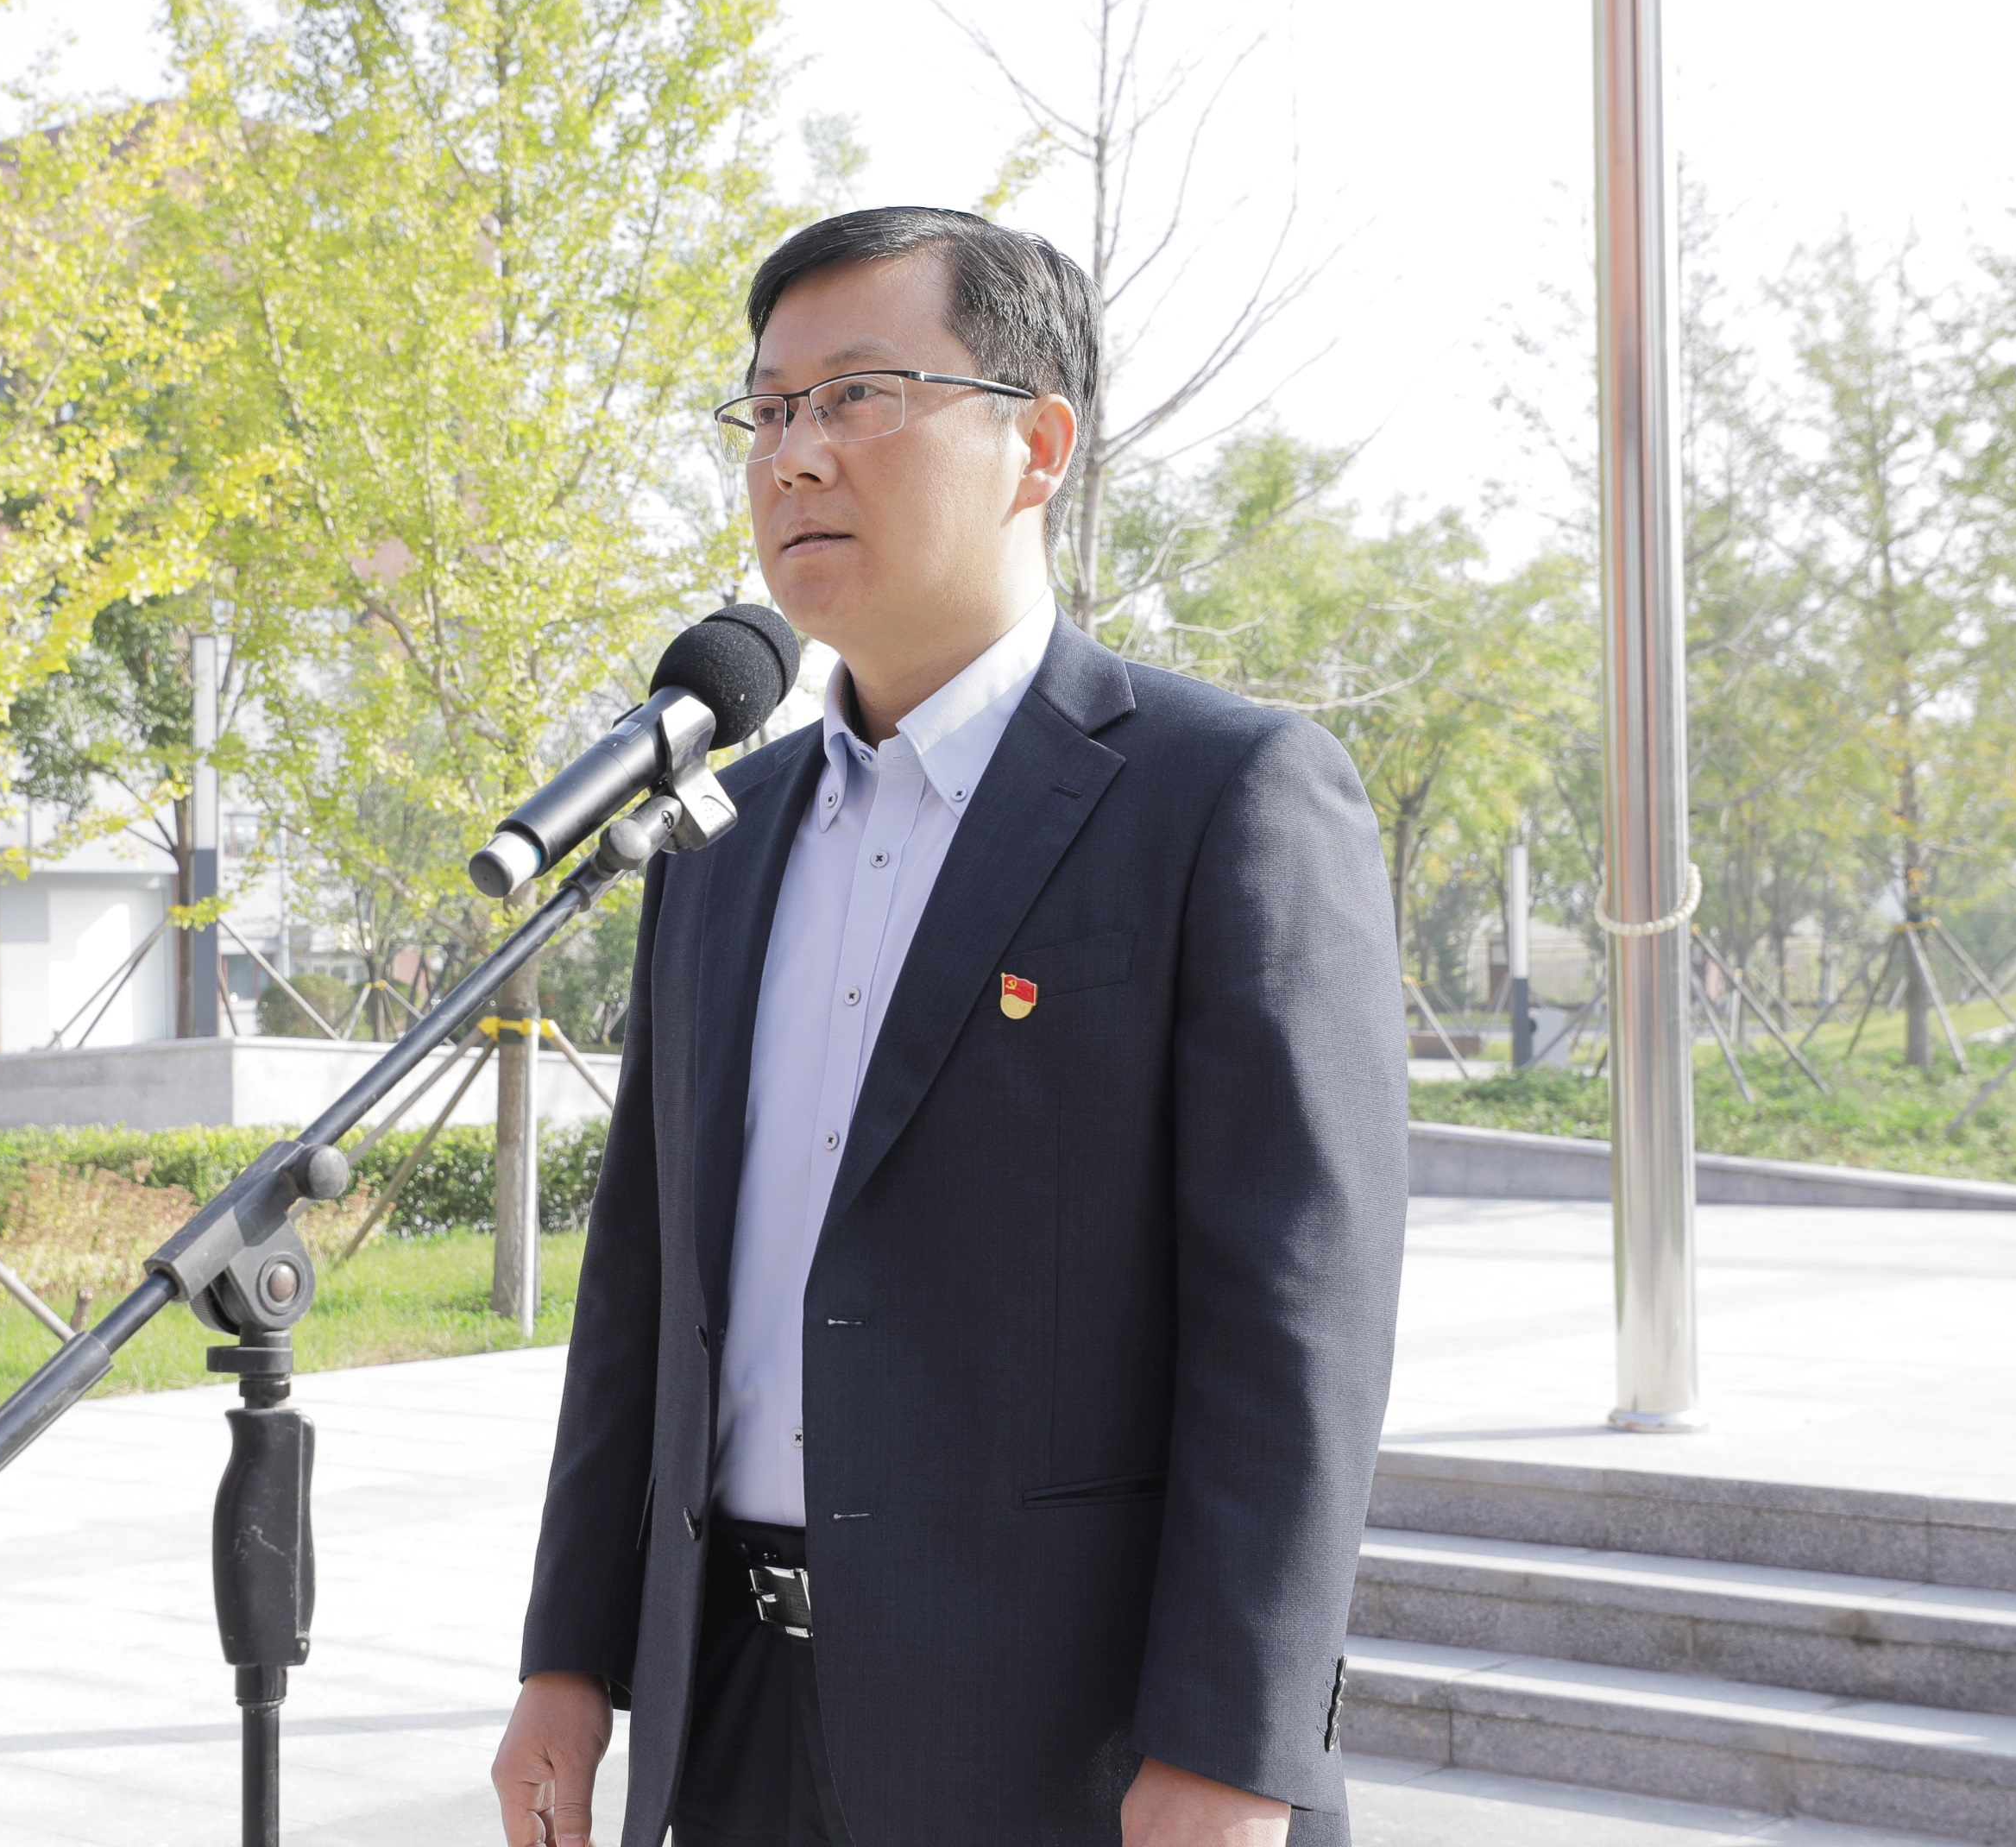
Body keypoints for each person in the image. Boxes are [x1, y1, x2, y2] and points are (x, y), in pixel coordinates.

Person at [492, 208, 1408, 1847]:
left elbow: (1295, 1323)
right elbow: (642, 1286)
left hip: (1070, 1744)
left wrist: (1233, 1749)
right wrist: (570, 1655)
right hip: (731, 1717)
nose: (795, 455)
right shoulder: (717, 838)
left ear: (1037, 446)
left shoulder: (1223, 795)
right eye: (769, 409)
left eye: (859, 395)